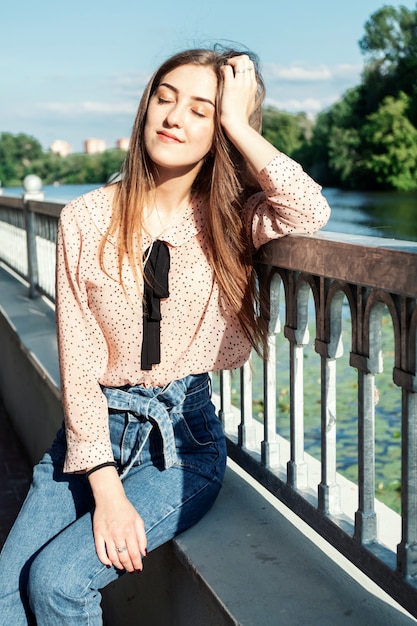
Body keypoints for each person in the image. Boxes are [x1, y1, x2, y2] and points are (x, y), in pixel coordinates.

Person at [0, 46, 330, 624]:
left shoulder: (230, 221)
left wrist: (238, 123)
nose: (175, 117)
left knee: (57, 582)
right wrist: (106, 491)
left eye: (201, 109)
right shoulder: (85, 218)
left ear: (221, 128)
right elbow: (77, 362)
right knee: (6, 591)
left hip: (181, 444)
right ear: (145, 106)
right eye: (165, 97)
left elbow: (307, 209)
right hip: (93, 432)